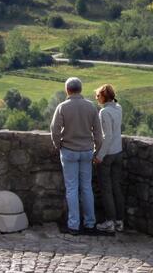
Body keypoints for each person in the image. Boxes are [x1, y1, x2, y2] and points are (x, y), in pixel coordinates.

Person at [49, 77, 103, 235]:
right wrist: (96, 150)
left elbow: (55, 129)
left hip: (69, 151)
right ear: (81, 89)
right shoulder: (91, 107)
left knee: (72, 188)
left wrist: (58, 145)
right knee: (86, 188)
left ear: (67, 90)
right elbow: (99, 135)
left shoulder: (62, 107)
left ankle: (73, 225)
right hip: (86, 151)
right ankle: (90, 223)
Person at [93, 83, 125, 234]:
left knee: (106, 189)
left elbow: (108, 136)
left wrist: (100, 156)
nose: (96, 98)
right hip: (119, 151)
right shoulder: (118, 108)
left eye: (98, 95)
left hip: (108, 154)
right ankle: (119, 221)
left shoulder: (104, 113)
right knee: (116, 187)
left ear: (104, 96)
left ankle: (110, 222)